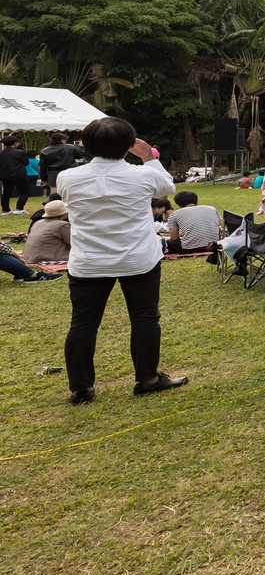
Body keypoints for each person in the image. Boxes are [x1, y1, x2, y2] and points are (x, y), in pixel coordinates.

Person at [56, 117, 186, 405]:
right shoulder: (143, 175)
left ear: (85, 145)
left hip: (89, 260)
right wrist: (148, 157)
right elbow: (167, 187)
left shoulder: (66, 177)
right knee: (145, 318)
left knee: (83, 324)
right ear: (129, 145)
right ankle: (148, 379)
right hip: (137, 258)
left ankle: (81, 389)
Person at [166, 190, 223, 258]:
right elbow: (221, 227)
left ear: (178, 205)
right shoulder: (212, 209)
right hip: (215, 246)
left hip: (189, 249)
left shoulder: (174, 215)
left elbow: (174, 238)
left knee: (170, 242)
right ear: (196, 201)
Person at [22, 198, 72, 265]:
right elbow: (73, 243)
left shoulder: (38, 222)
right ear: (64, 213)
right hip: (46, 259)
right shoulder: (62, 225)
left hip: (30, 258)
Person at [0, 136, 29, 214]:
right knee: (24, 191)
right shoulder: (20, 152)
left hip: (5, 175)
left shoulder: (1, 153)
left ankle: (5, 210)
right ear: (15, 143)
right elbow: (26, 162)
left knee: (6, 192)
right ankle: (19, 208)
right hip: (19, 174)